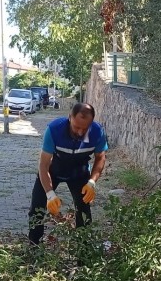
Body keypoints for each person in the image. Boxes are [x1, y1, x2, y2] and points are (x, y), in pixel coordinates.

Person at [28, 102, 108, 245]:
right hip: (53, 169)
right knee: (37, 210)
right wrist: (50, 194)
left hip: (79, 172)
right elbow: (43, 164)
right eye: (77, 127)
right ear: (69, 117)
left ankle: (84, 255)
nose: (80, 132)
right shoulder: (54, 130)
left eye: (85, 128)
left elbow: (100, 158)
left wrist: (92, 182)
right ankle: (34, 249)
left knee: (83, 213)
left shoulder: (97, 132)